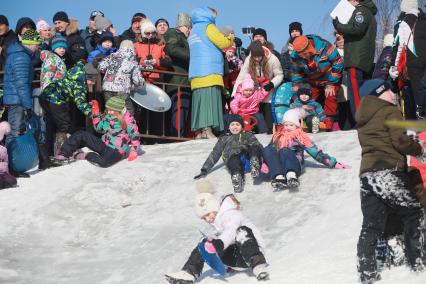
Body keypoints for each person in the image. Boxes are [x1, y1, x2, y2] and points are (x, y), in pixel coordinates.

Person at [355, 78, 426, 283]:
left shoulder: (364, 118)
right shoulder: (389, 110)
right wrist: (419, 150)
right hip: (388, 170)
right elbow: (400, 140)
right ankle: (418, 264)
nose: (393, 94)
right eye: (389, 90)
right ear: (380, 93)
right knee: (414, 213)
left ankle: (366, 271)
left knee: (371, 224)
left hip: (367, 175)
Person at [165, 181, 269, 283]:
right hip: (236, 260)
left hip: (252, 252)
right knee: (205, 243)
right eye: (204, 218)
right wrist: (212, 242)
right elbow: (222, 238)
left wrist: (219, 243)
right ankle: (189, 273)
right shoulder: (218, 223)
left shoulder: (231, 214)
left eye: (208, 214)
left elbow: (231, 232)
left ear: (214, 207)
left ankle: (258, 265)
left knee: (242, 231)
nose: (207, 219)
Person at [263, 108, 349, 191]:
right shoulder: (278, 135)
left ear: (297, 125)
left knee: (284, 150)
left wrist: (333, 163)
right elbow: (271, 152)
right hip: (280, 164)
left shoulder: (300, 136)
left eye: (291, 125)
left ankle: (291, 176)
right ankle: (279, 177)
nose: (288, 127)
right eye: (286, 125)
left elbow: (315, 152)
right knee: (268, 148)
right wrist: (265, 162)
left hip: (294, 163)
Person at [54, 96, 141, 167]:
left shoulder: (128, 120)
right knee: (81, 134)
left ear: (119, 111)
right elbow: (98, 128)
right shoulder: (108, 116)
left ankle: (86, 155)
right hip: (104, 145)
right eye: (108, 109)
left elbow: (134, 135)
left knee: (103, 163)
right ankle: (63, 154)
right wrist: (95, 112)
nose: (109, 112)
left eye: (112, 110)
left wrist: (134, 150)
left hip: (116, 151)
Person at [188, 6, 233, 139]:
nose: (214, 18)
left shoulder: (194, 30)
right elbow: (222, 42)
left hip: (196, 73)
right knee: (209, 101)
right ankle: (208, 130)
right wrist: (230, 38)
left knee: (200, 102)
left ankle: (199, 132)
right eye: (214, 15)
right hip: (209, 71)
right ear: (207, 14)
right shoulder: (208, 27)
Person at [193, 115, 263, 193]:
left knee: (254, 146)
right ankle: (237, 178)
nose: (235, 127)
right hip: (233, 161)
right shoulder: (224, 138)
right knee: (233, 159)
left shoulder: (248, 135)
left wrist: (247, 147)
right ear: (228, 127)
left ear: (242, 126)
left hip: (247, 159)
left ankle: (255, 164)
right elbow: (215, 153)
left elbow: (258, 146)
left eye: (237, 124)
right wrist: (204, 169)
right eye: (232, 125)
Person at [332, 0, 377, 116]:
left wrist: (338, 25)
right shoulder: (368, 13)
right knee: (362, 90)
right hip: (362, 58)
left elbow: (356, 29)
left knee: (355, 91)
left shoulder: (360, 11)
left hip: (355, 58)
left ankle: (359, 117)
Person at [232, 40, 283, 134]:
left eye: (259, 56)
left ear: (263, 54)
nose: (257, 59)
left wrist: (272, 84)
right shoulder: (249, 59)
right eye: (254, 57)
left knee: (267, 114)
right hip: (254, 90)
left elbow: (279, 75)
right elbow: (241, 76)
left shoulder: (272, 59)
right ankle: (252, 130)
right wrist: (234, 93)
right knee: (254, 113)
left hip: (268, 87)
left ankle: (268, 129)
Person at [291, 35, 343, 122]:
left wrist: (330, 83)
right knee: (308, 99)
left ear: (309, 47)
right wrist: (296, 88)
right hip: (313, 81)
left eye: (305, 54)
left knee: (330, 95)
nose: (304, 57)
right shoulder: (295, 57)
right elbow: (296, 73)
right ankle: (309, 120)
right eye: (301, 55)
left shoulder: (325, 46)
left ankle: (328, 119)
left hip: (330, 77)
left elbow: (338, 62)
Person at [3, 30, 40, 146]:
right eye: (36, 44)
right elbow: (22, 84)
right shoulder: (21, 57)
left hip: (16, 100)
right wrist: (28, 106)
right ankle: (10, 161)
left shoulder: (18, 54)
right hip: (18, 101)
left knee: (15, 131)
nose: (37, 47)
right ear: (29, 43)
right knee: (14, 132)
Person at [97, 40, 144, 116]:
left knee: (110, 110)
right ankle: (128, 127)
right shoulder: (132, 59)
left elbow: (100, 67)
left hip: (107, 87)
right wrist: (141, 83)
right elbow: (137, 80)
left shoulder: (112, 56)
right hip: (122, 89)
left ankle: (110, 126)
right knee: (127, 111)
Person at [163, 12, 192, 137]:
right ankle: (177, 137)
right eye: (189, 28)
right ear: (185, 26)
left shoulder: (183, 37)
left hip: (183, 80)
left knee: (182, 110)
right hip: (178, 80)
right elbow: (172, 48)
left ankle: (179, 135)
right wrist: (192, 56)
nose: (190, 32)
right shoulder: (173, 33)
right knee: (179, 110)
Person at [134, 18, 171, 83]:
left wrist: (156, 62)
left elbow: (168, 62)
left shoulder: (161, 46)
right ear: (143, 33)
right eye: (147, 33)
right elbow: (130, 59)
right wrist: (142, 61)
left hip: (157, 80)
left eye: (153, 33)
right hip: (139, 78)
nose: (151, 35)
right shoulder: (136, 45)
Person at [0, 121, 17, 189]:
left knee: (13, 180)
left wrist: (6, 172)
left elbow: (6, 161)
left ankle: (4, 182)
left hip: (3, 173)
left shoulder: (3, 148)